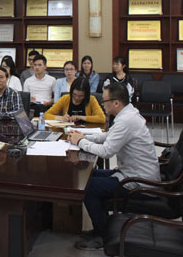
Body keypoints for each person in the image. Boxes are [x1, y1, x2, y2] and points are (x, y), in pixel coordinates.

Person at [68, 83, 159, 250]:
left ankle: (102, 234)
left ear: (116, 103)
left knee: (88, 187)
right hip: (131, 173)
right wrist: (83, 136)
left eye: (104, 101)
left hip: (138, 182)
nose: (103, 104)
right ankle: (103, 226)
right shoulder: (128, 114)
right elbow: (108, 136)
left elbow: (106, 151)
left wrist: (80, 142)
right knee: (91, 175)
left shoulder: (126, 121)